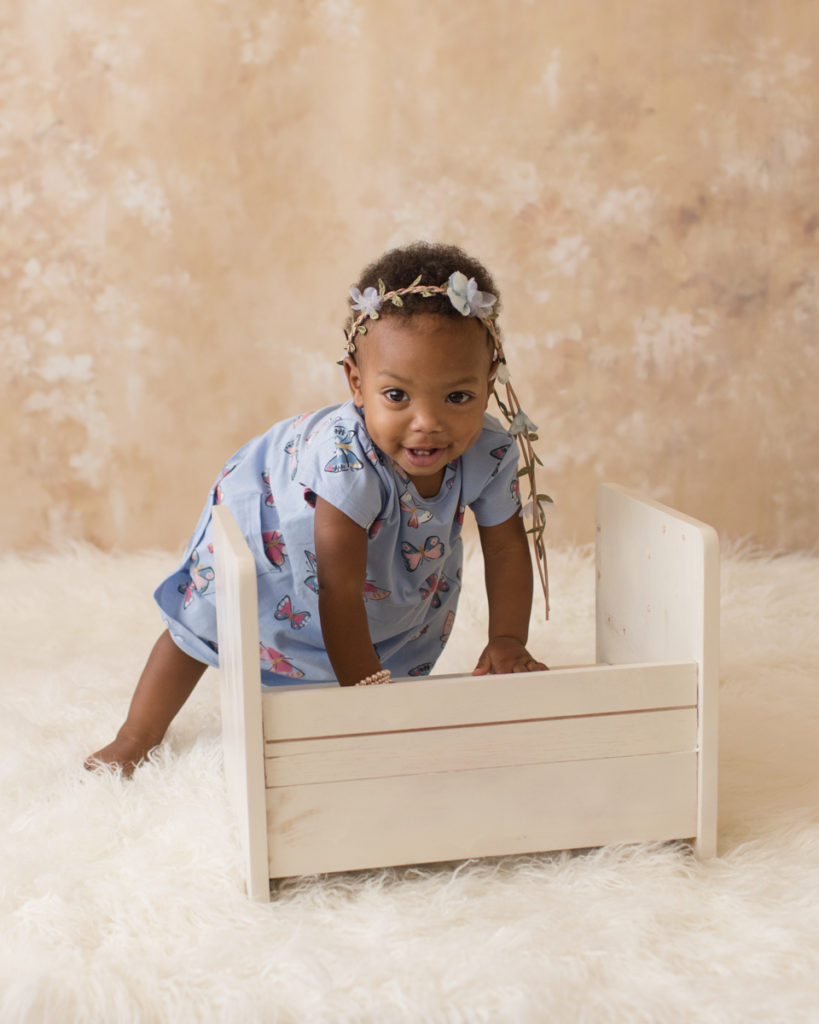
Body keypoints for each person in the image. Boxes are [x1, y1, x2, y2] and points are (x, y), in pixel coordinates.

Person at [87, 241, 551, 775]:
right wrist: (364, 703)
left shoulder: (489, 451)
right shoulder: (345, 457)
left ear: (488, 388)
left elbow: (507, 547)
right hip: (277, 530)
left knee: (394, 631)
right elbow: (337, 585)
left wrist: (507, 639)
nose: (428, 422)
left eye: (458, 398)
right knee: (205, 619)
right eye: (397, 396)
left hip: (381, 554)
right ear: (356, 383)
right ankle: (135, 736)